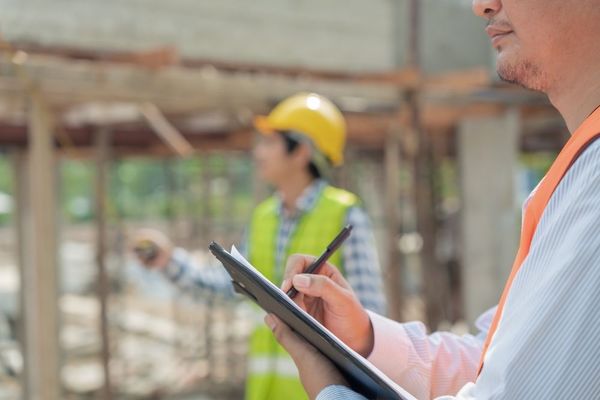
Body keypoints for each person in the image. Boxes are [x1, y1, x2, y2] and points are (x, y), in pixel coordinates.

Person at [266, 0, 600, 399]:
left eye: (269, 142)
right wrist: (365, 336)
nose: (481, 6)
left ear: (300, 151)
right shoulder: (577, 174)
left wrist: (330, 387)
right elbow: (493, 363)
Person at [133, 92, 387, 400]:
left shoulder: (345, 213)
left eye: (269, 142)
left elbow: (369, 317)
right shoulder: (264, 217)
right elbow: (228, 288)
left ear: (301, 151)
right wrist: (169, 261)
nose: (258, 152)